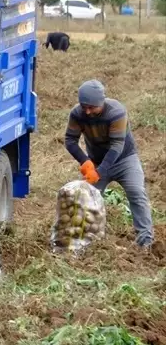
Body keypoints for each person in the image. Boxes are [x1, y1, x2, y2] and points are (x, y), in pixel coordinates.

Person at [65, 80, 154, 249]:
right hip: (96, 161)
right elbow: (70, 140)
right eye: (85, 107)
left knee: (137, 193)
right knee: (86, 199)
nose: (88, 111)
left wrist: (100, 171)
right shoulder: (77, 114)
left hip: (125, 160)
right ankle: (85, 244)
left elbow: (116, 146)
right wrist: (86, 162)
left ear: (101, 102)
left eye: (92, 107)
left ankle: (145, 243)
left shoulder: (116, 112)